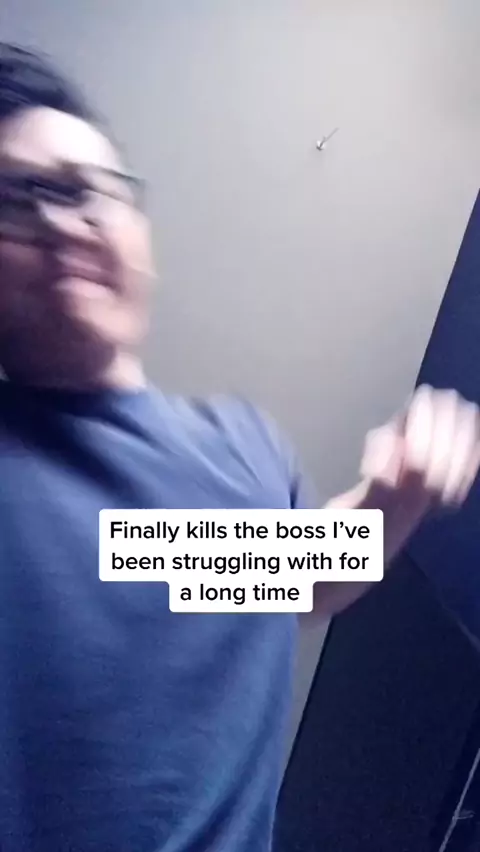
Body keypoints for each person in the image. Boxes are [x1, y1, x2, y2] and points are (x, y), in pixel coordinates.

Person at [0, 43, 478, 852]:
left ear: (140, 231)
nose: (57, 223)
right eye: (16, 199)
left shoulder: (235, 450)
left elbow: (293, 582)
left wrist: (390, 500)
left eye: (82, 190)